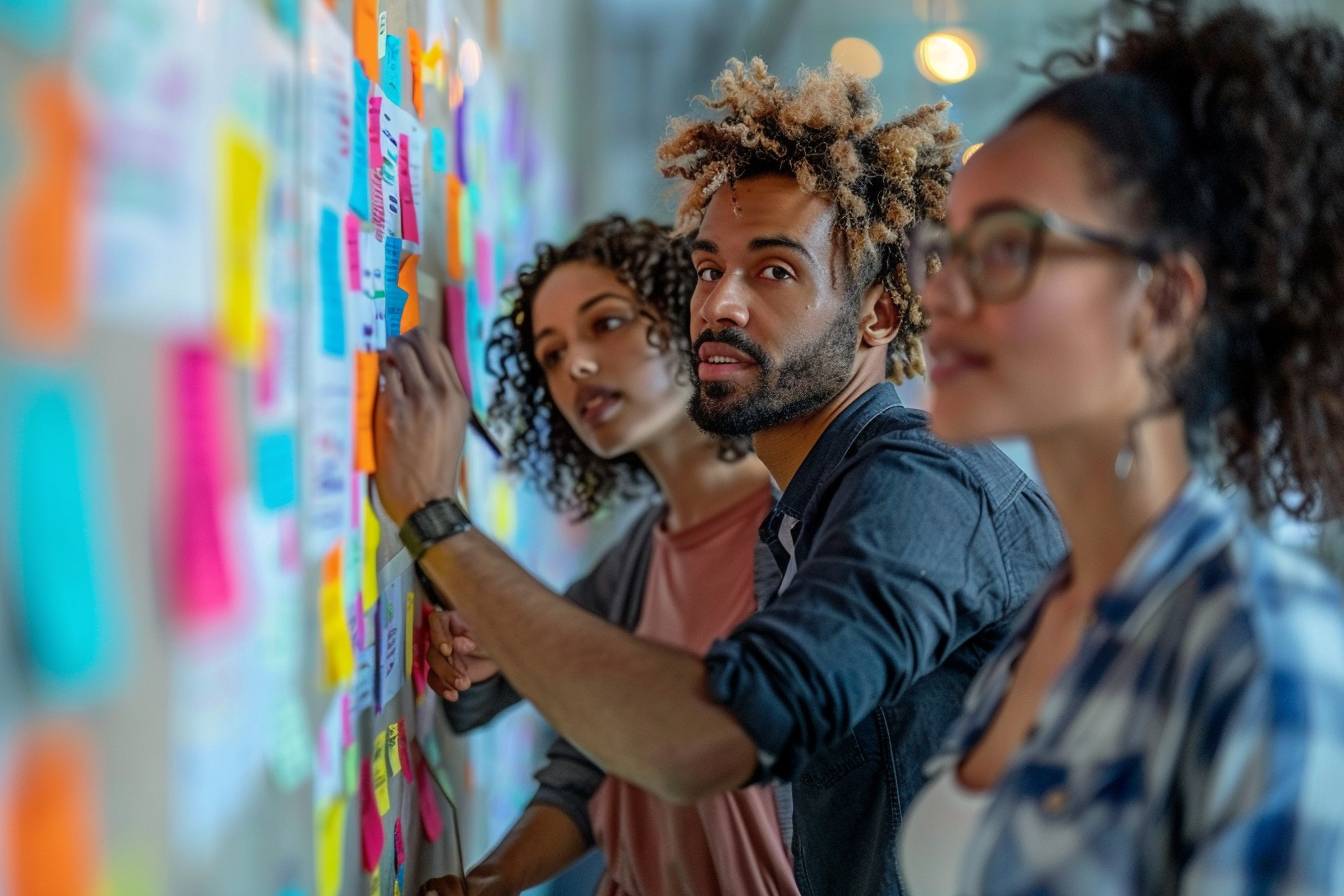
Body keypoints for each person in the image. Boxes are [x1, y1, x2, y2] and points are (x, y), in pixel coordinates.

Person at [378, 60, 1066, 896]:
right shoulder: (800, 514)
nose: (720, 306)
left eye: (774, 271)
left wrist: (435, 518)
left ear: (880, 314)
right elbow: (576, 727)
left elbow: (706, 737)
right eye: (709, 269)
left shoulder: (922, 484)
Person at [899, 3, 1344, 893]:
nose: (941, 294)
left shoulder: (1267, 644)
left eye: (1006, 249)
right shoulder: (1047, 616)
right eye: (941, 251)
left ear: (1165, 303)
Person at [425, 215, 798, 896]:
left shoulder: (801, 527)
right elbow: (582, 760)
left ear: (687, 312)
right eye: (552, 355)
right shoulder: (638, 557)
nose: (579, 367)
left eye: (606, 324)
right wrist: (485, 884)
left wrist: (432, 516)